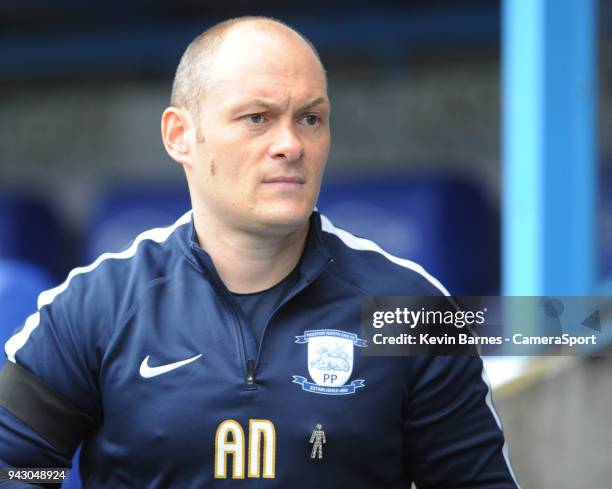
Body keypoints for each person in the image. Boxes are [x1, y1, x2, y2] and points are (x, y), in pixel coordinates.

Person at [0, 16, 520, 488]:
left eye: (310, 119)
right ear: (180, 135)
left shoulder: (409, 307)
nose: (290, 144)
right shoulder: (96, 308)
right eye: (257, 118)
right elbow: (18, 469)